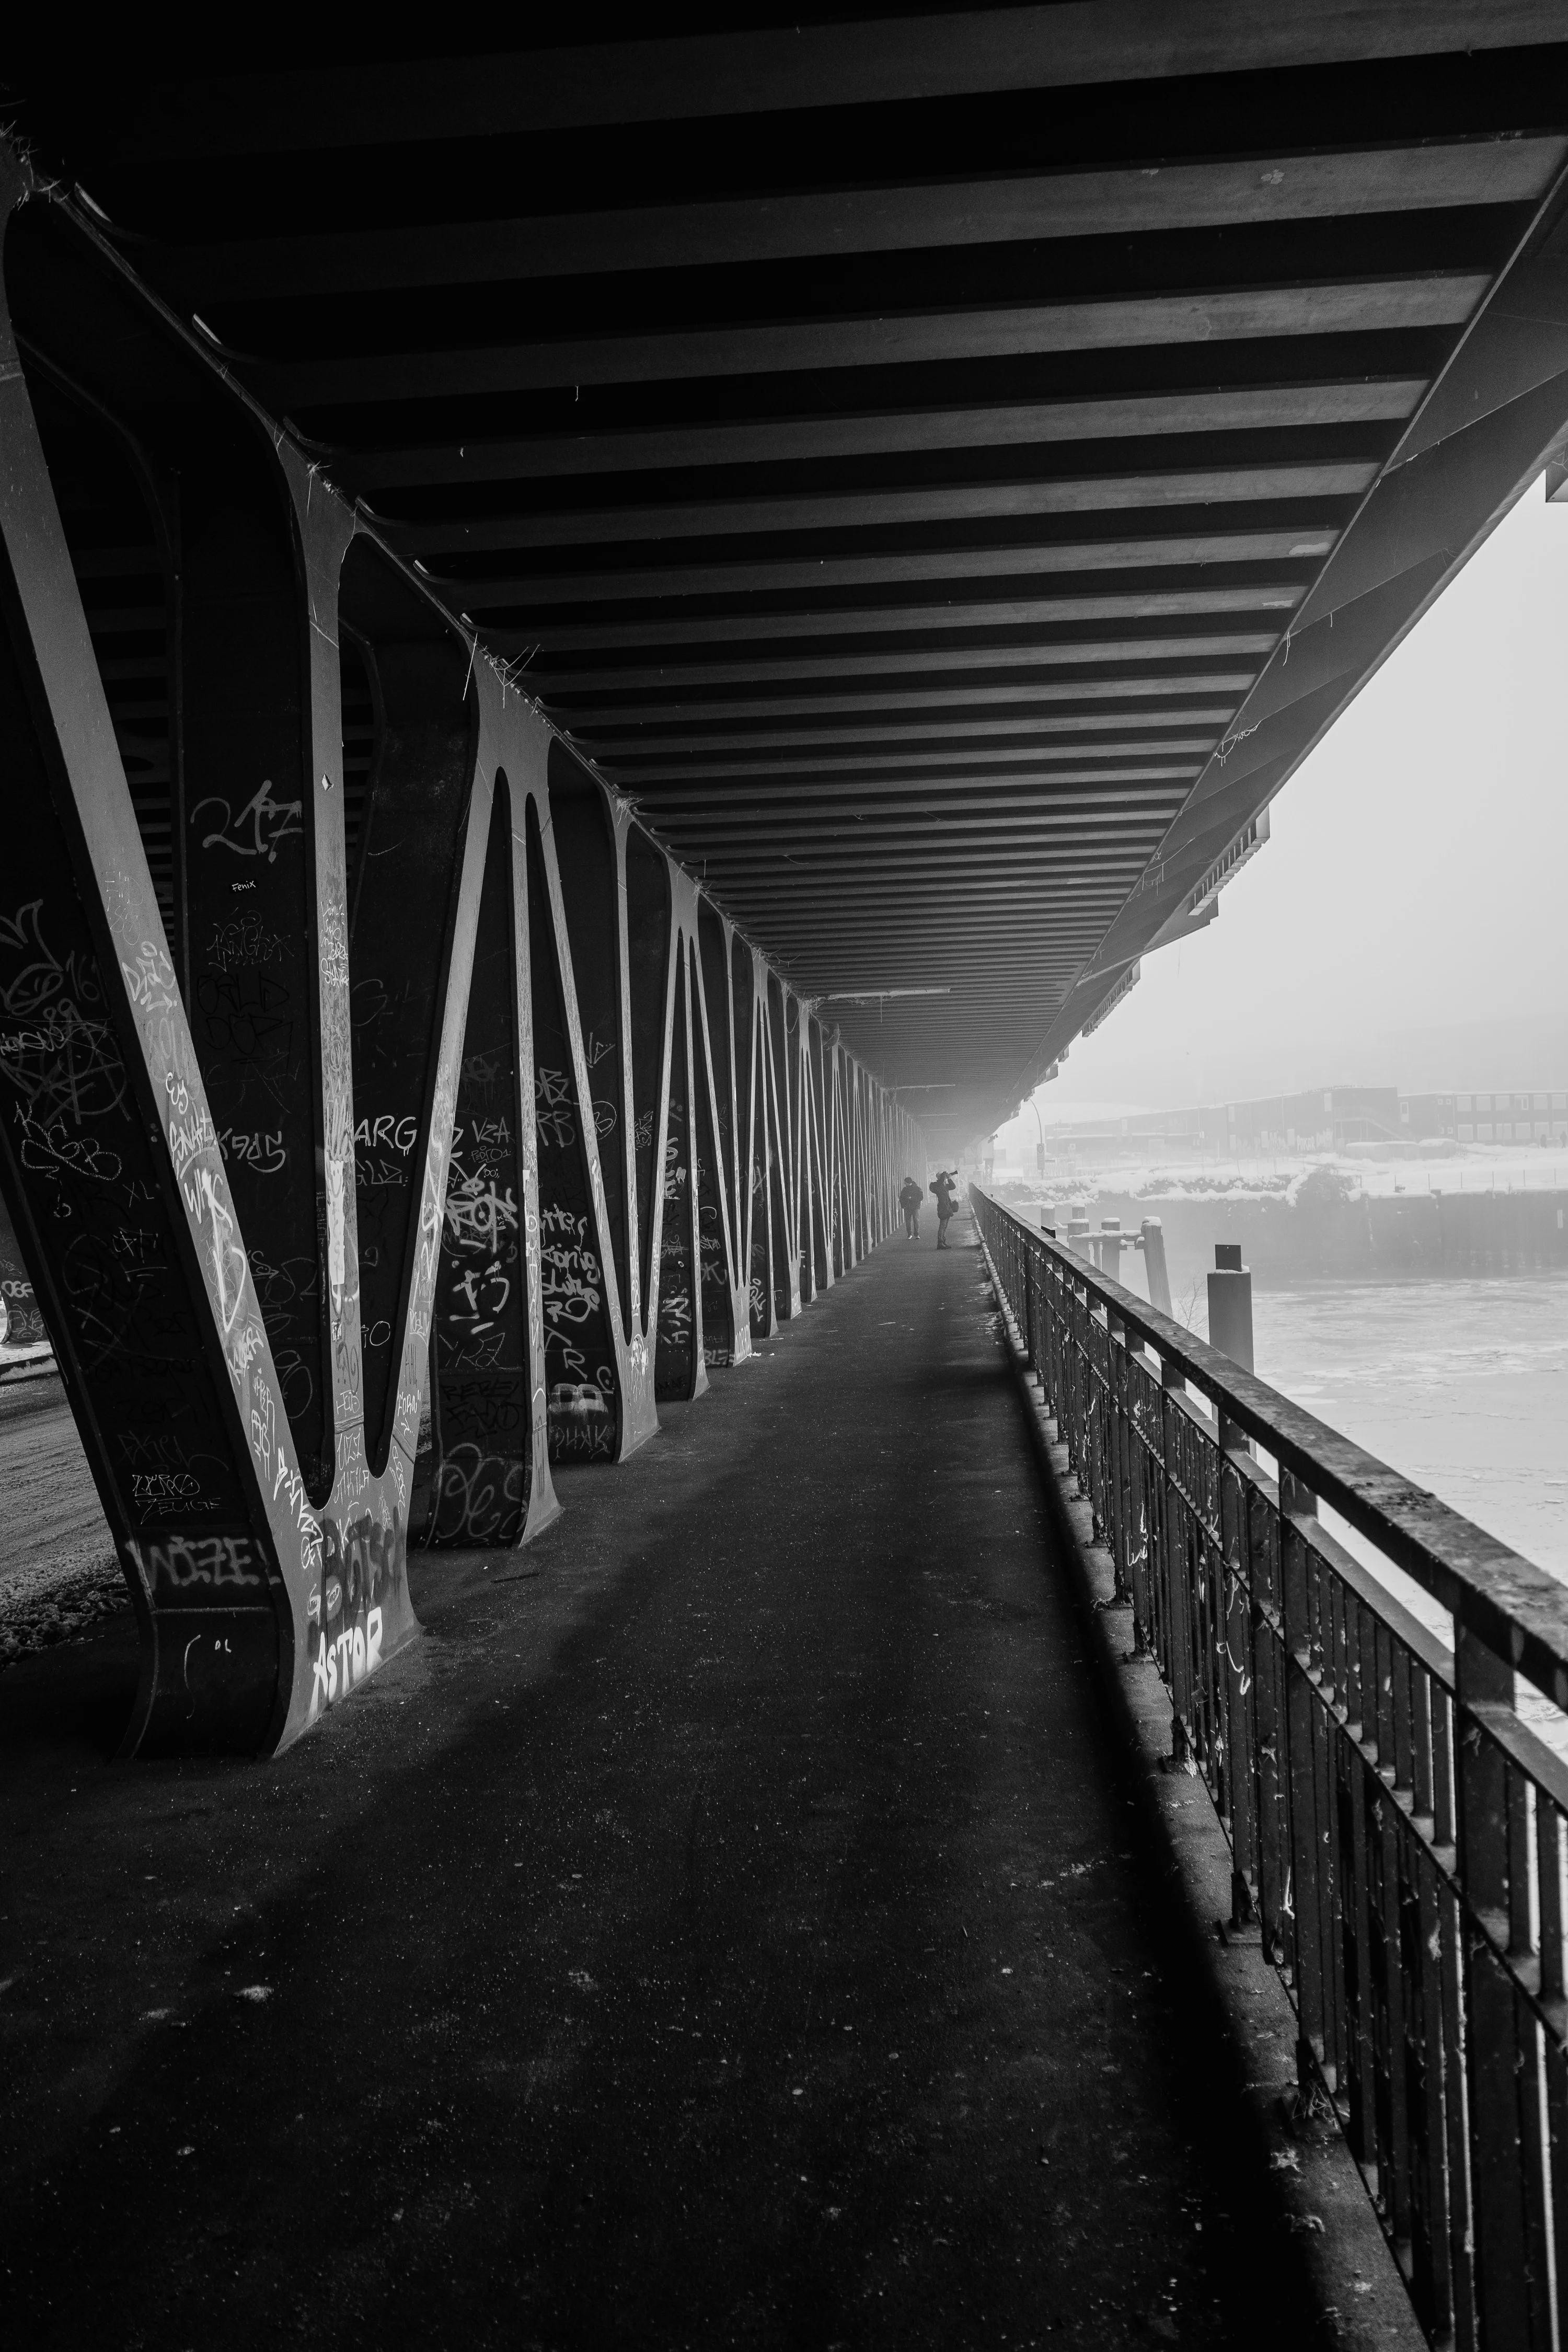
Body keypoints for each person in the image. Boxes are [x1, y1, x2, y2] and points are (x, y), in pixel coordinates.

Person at [930, 1167, 959, 1248]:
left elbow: (953, 1187)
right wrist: (946, 1175)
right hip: (943, 1208)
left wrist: (949, 1179)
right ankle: (940, 1243)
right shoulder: (938, 1186)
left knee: (945, 1226)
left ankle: (943, 1241)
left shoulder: (944, 1186)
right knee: (942, 1226)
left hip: (947, 1208)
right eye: (945, 1177)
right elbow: (941, 1181)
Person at [898, 1174, 923, 1239]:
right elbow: (901, 1199)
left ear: (909, 1183)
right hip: (913, 1207)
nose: (905, 1184)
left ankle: (911, 1234)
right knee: (915, 1221)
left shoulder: (913, 1189)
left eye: (905, 1183)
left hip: (912, 1207)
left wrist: (911, 1199)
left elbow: (921, 1197)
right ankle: (915, 1234)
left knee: (910, 1221)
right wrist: (904, 1206)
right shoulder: (917, 1188)